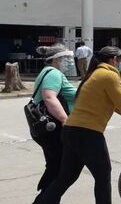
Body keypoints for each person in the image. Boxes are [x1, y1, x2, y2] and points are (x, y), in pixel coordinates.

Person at [34, 46, 121, 204]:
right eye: (120, 61)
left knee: (66, 177)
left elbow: (115, 106)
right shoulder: (108, 75)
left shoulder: (93, 74)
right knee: (103, 176)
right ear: (114, 60)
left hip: (71, 131)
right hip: (88, 133)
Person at [31, 44, 77, 195]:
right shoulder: (53, 74)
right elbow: (50, 98)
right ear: (56, 60)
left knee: (55, 166)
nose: (68, 62)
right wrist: (66, 121)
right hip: (53, 127)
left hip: (49, 127)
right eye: (65, 59)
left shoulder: (49, 72)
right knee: (60, 169)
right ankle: (45, 198)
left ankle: (45, 196)